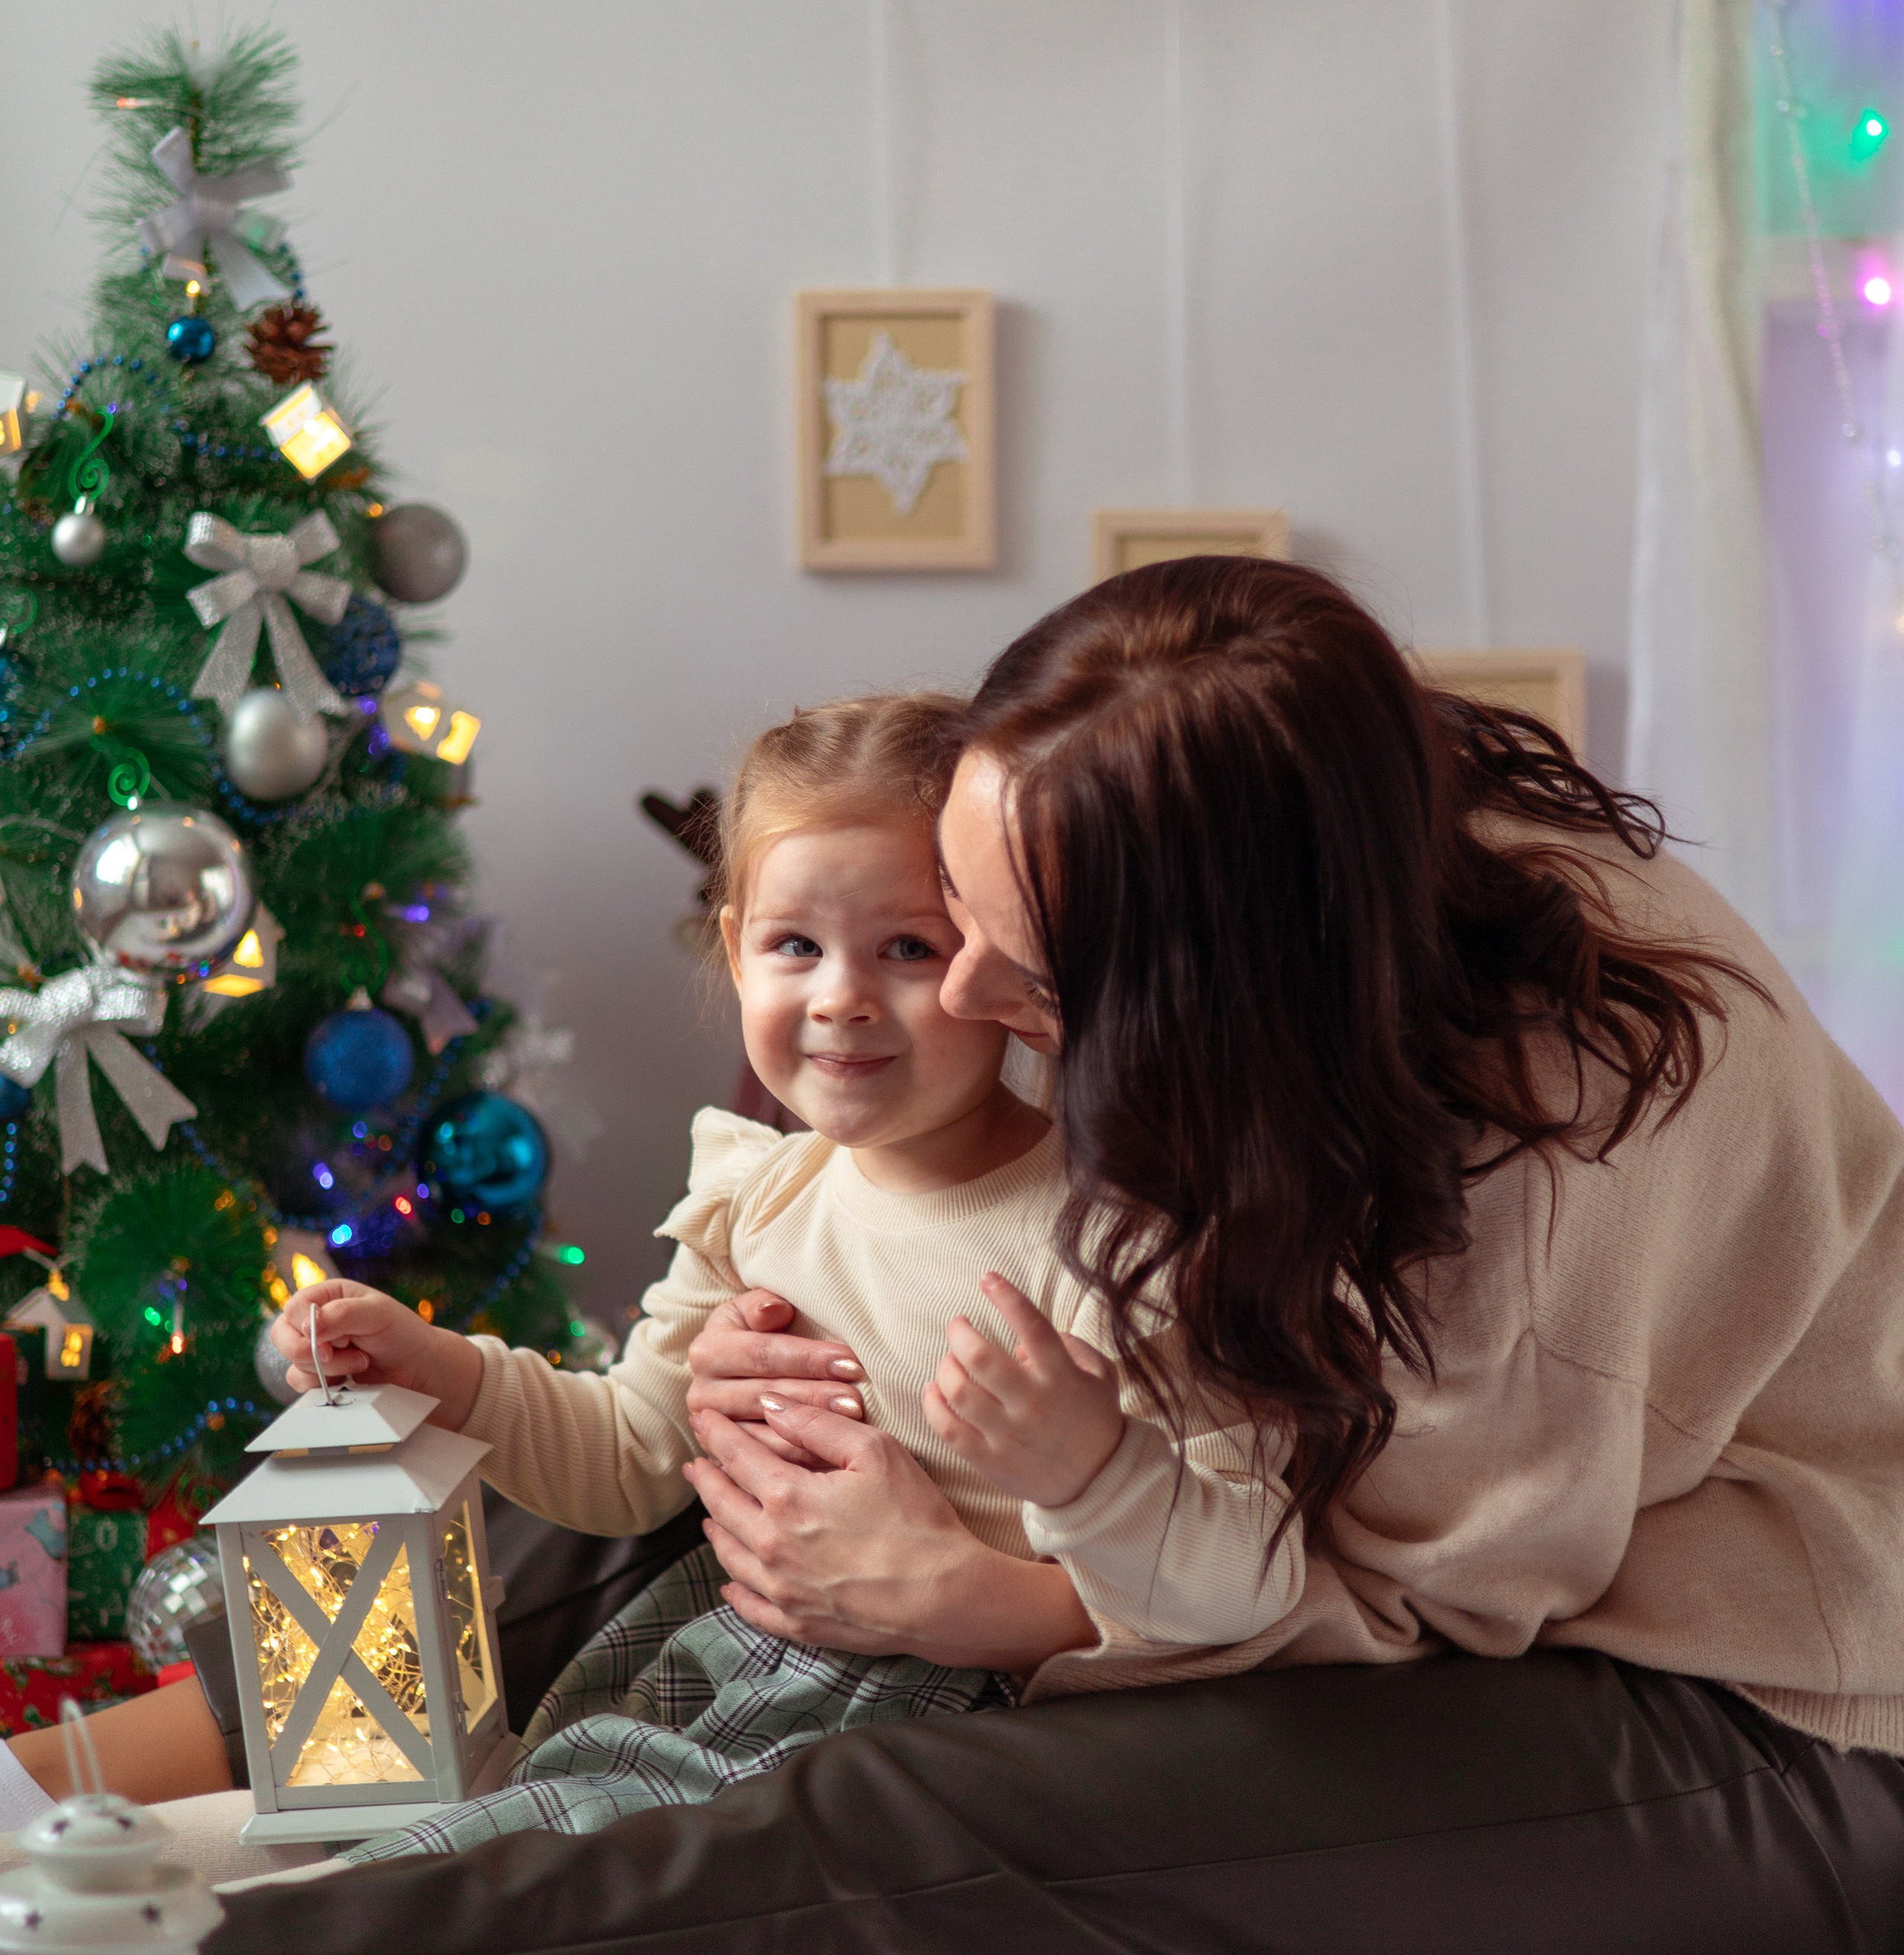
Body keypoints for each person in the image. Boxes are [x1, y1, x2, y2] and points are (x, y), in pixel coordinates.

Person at [178, 561, 1904, 1955]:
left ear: (1210, 982)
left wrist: (988, 1604)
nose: (974, 989)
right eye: (968, 898)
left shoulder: (1532, 1231)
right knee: (706, 1447)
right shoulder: (1315, 813)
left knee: (941, 1821)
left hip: (1740, 1700)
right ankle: (82, 1778)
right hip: (1275, 1509)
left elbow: (1377, 1609)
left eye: (1024, 960)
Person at [3, 690, 1292, 1853]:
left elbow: (1243, 1574)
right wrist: (440, 1365)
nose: (841, 998)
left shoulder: (1107, 1232)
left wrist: (1088, 1468)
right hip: (719, 1654)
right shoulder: (758, 1199)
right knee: (451, 1836)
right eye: (796, 946)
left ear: (996, 960)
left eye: (906, 947)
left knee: (518, 1871)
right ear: (733, 949)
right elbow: (625, 1457)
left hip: (936, 1712)